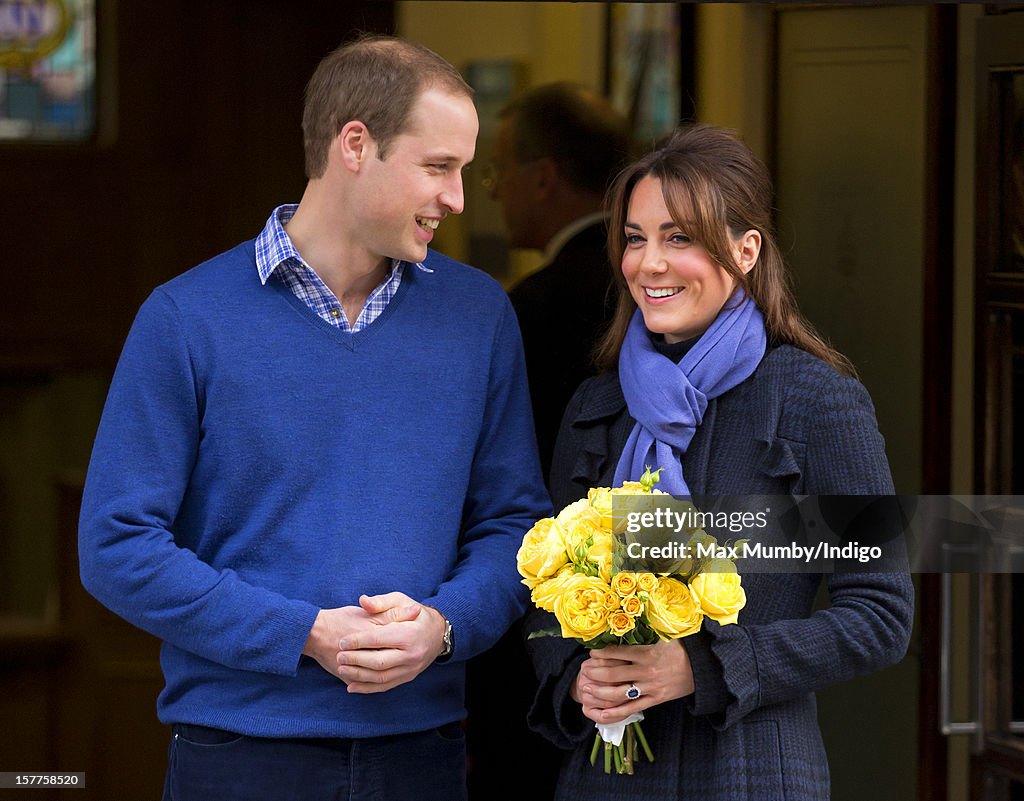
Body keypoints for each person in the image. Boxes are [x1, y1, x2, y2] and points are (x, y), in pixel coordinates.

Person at [77, 34, 549, 801]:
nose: (459, 198)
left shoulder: (478, 315)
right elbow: (115, 545)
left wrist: (444, 625)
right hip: (239, 758)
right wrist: (302, 632)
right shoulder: (186, 318)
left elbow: (516, 524)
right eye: (439, 167)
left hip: (422, 757)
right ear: (355, 144)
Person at [524, 123, 914, 800]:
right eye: (637, 237)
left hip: (751, 771)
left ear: (746, 247)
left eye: (680, 237)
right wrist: (572, 673)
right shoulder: (598, 405)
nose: (650, 263)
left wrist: (700, 667)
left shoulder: (818, 400)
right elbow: (544, 593)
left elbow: (880, 615)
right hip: (607, 774)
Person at [487, 81, 631, 477]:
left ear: (542, 179)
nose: (495, 191)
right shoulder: (658, 279)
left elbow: (520, 458)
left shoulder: (538, 305)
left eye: (500, 169)